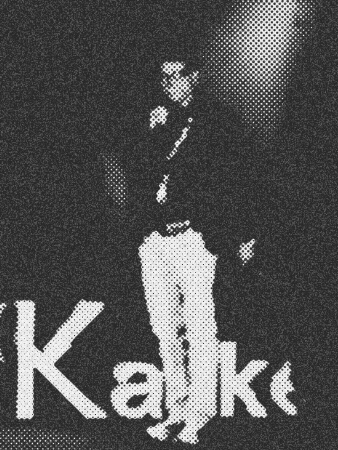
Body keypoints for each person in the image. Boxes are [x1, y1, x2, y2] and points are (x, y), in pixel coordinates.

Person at [101, 57, 257, 444]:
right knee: (164, 328)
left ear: (194, 77)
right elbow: (130, 170)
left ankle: (200, 413)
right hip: (155, 238)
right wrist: (148, 134)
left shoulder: (218, 123)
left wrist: (242, 233)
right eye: (164, 77)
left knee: (200, 327)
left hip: (193, 235)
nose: (169, 83)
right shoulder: (159, 121)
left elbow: (240, 178)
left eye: (176, 75)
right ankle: (176, 409)